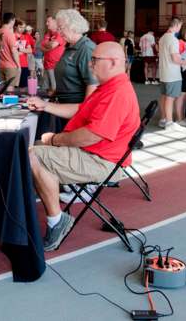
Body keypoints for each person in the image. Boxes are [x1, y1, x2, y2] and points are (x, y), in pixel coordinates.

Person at [26, 41, 140, 251]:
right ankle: (52, 212)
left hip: (99, 161)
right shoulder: (110, 87)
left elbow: (91, 136)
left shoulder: (117, 93)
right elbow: (81, 109)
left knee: (30, 156)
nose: (90, 65)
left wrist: (54, 140)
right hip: (93, 154)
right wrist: (46, 106)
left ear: (114, 62)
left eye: (95, 60)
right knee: (32, 153)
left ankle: (56, 220)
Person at [53, 9, 99, 104]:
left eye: (61, 28)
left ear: (73, 26)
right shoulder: (70, 46)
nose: (59, 32)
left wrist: (83, 113)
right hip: (63, 104)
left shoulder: (86, 48)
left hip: (75, 107)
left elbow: (93, 85)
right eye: (58, 29)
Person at [157, 18, 186, 129]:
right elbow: (174, 58)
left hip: (164, 72)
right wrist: (184, 62)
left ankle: (163, 119)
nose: (180, 29)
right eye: (180, 27)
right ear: (177, 25)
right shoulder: (173, 40)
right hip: (172, 73)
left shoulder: (162, 38)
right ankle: (169, 122)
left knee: (164, 96)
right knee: (170, 98)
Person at [0, 13, 21, 92]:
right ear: (12, 20)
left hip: (1, 64)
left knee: (3, 89)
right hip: (10, 65)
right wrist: (18, 65)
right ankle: (9, 104)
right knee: (10, 89)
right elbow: (14, 51)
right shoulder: (9, 34)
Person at [41, 15, 65, 93]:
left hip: (55, 66)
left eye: (48, 21)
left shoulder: (60, 34)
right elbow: (41, 47)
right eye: (46, 21)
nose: (46, 23)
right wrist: (49, 45)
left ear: (55, 22)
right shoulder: (48, 34)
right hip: (46, 65)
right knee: (45, 89)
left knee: (54, 89)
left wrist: (47, 44)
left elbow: (52, 45)